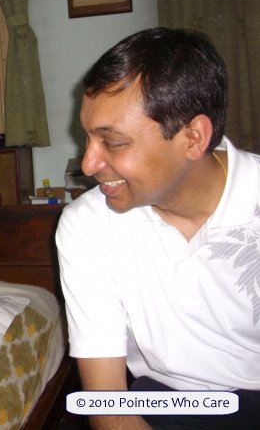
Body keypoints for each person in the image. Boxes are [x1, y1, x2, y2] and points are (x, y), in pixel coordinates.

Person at [56, 27, 260, 429]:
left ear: (193, 137)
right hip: (166, 401)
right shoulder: (88, 225)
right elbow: (107, 402)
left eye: (113, 142)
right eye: (88, 137)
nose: (88, 164)